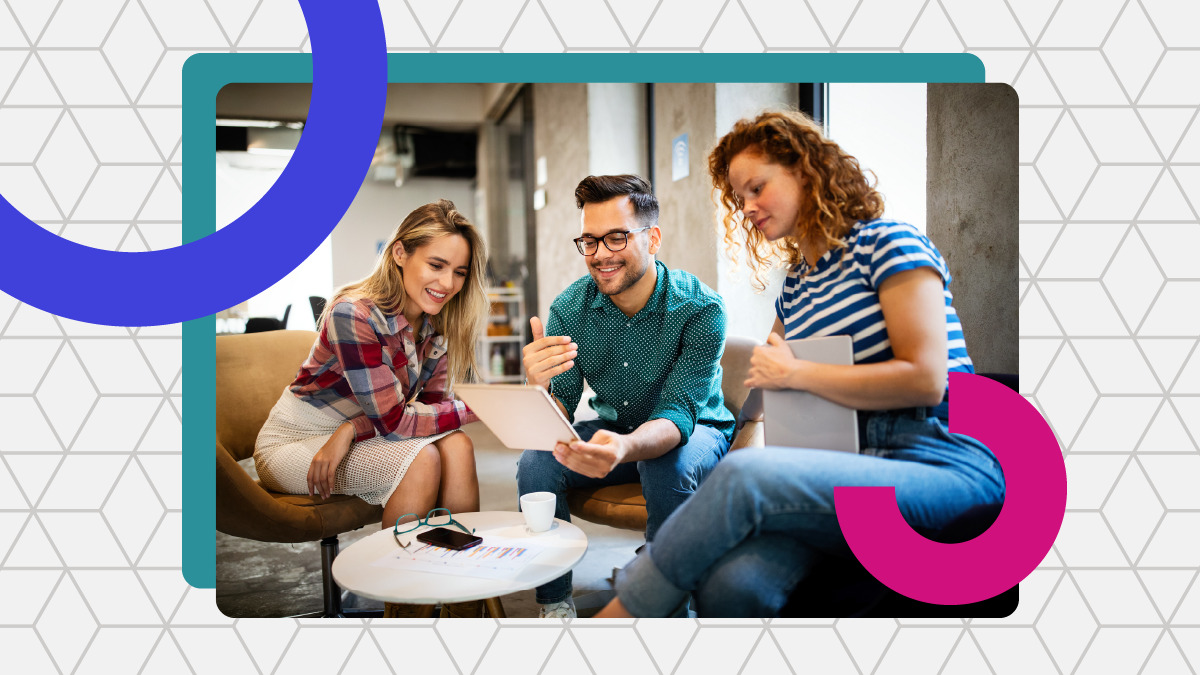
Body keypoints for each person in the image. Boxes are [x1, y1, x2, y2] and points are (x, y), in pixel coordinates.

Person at [595, 110, 1006, 618]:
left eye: (757, 187)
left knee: (745, 475)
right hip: (843, 463)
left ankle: (614, 619)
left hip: (937, 462)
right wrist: (762, 402)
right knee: (733, 585)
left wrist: (794, 374)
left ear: (806, 170)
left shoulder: (889, 242)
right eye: (738, 197)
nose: (746, 207)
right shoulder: (800, 281)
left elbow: (925, 380)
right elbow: (768, 383)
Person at [518, 174, 735, 618]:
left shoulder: (701, 309)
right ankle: (555, 604)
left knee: (664, 464)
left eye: (616, 237)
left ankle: (669, 605)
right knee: (536, 459)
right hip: (616, 424)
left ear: (652, 238)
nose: (600, 254)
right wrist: (537, 390)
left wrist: (625, 447)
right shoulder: (570, 309)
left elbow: (677, 416)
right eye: (590, 241)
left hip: (696, 430)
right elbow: (560, 405)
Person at [254, 199, 487, 535]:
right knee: (422, 460)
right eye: (437, 265)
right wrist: (485, 409)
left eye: (459, 272)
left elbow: (430, 410)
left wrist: (349, 430)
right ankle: (396, 582)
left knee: (457, 445)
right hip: (294, 441)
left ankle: (462, 578)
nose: (448, 284)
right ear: (400, 254)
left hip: (359, 432)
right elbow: (395, 422)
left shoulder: (438, 323)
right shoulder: (354, 315)